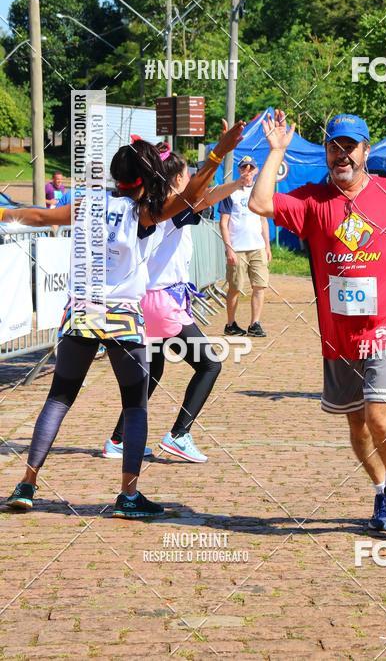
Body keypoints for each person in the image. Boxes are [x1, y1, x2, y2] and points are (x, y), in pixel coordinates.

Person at [1, 121, 245, 518]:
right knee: (135, 406)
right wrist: (217, 152)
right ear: (147, 180)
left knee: (59, 398)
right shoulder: (144, 212)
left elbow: (36, 218)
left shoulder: (86, 205)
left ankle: (26, 484)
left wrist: (1, 212)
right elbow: (194, 194)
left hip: (80, 315)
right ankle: (128, 496)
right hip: (122, 319)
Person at [249, 111, 386, 536]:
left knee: (379, 418)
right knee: (356, 424)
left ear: (365, 151)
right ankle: (379, 488)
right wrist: (276, 151)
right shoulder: (314, 201)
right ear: (327, 152)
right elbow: (260, 203)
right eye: (334, 147)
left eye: (350, 147)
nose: (342, 155)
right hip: (338, 335)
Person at [104, 144, 253, 464]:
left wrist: (238, 185)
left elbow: (209, 193)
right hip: (161, 302)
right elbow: (209, 195)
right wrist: (229, 177)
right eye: (187, 175)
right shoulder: (173, 209)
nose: (191, 181)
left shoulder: (153, 206)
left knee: (153, 368)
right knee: (210, 364)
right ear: (176, 181)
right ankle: (179, 434)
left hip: (150, 300)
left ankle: (119, 439)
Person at [219, 156, 272, 338]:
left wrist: (267, 245)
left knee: (260, 285)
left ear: (256, 171)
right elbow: (223, 223)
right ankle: (230, 323)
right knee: (235, 287)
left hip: (257, 246)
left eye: (251, 168)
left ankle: (254, 323)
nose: (247, 171)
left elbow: (263, 220)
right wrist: (229, 247)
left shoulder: (259, 192)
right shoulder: (230, 192)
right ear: (239, 170)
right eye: (244, 168)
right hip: (238, 247)